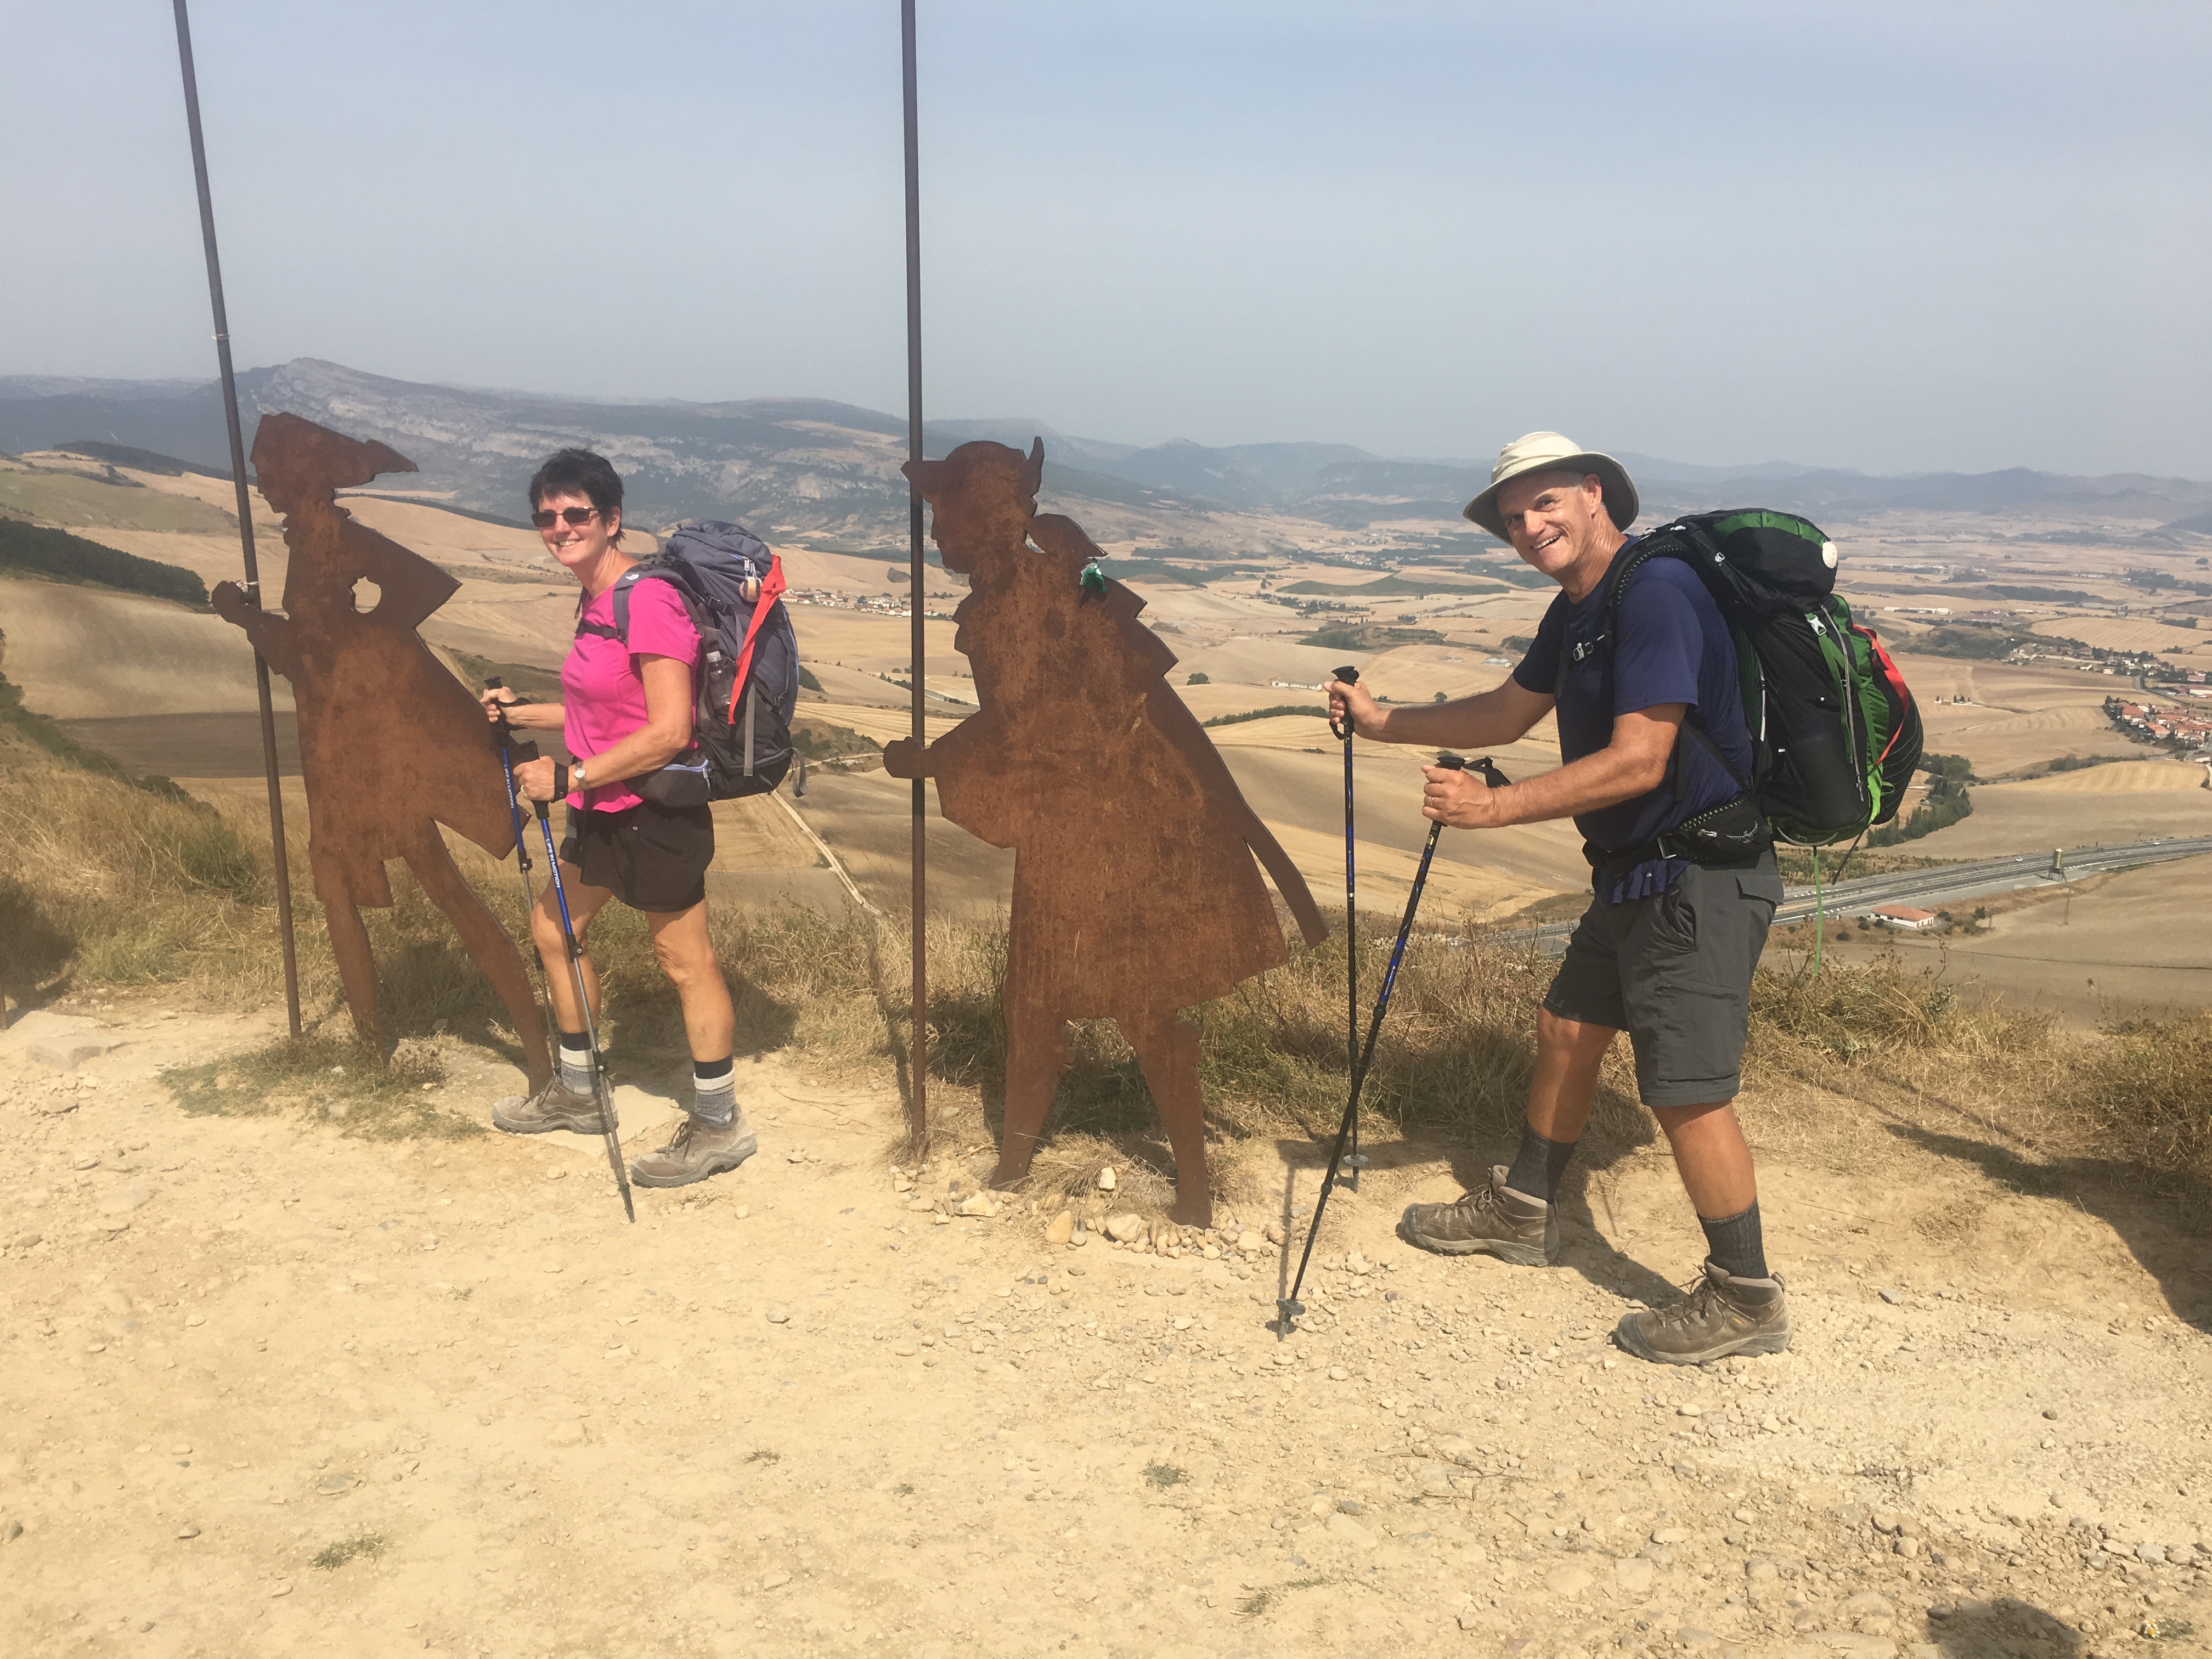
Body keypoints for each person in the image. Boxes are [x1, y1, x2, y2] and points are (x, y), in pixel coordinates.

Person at [1325, 431, 1790, 1365]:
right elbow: (1506, 711)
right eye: (1511, 517)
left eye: (1543, 505)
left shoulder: (1655, 593)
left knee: (1687, 1091)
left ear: (1592, 495)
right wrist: (1382, 725)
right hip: (1637, 872)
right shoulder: (1582, 607)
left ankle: (1747, 1296)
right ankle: (1525, 1208)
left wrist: (1492, 809)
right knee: (1566, 1029)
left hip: (1698, 876)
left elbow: (1640, 758)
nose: (1528, 526)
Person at [479, 448, 754, 1189]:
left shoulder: (648, 601)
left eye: (576, 515)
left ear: (611, 520)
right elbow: (595, 711)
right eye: (547, 517)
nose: (560, 527)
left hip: (656, 810)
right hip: (603, 807)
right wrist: (521, 712)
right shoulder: (595, 601)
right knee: (554, 928)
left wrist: (569, 776)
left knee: (683, 961)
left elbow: (667, 731)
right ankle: (579, 1091)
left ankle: (721, 1123)